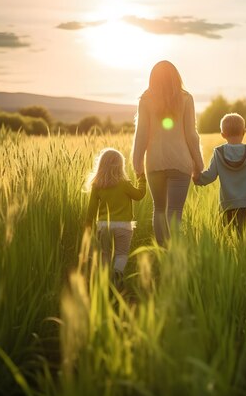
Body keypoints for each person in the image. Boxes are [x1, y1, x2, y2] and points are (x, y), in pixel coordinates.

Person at [132, 60, 204, 246]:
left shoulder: (145, 99)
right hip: (181, 162)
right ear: (176, 76)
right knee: (175, 212)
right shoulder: (186, 98)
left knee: (159, 209)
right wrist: (199, 163)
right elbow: (191, 134)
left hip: (154, 163)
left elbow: (141, 134)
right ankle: (174, 253)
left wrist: (137, 162)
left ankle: (162, 250)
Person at [193, 113, 246, 235]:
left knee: (227, 233)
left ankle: (229, 251)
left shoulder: (218, 153)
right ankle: (243, 250)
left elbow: (209, 176)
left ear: (223, 134)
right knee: (242, 231)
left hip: (227, 202)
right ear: (244, 132)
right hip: (245, 201)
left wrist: (197, 178)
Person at [85, 148, 146, 281]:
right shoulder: (124, 184)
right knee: (121, 254)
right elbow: (139, 195)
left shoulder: (97, 185)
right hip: (123, 226)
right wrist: (142, 179)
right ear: (120, 166)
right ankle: (117, 274)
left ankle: (105, 278)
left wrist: (88, 226)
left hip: (104, 225)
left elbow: (91, 209)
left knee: (105, 254)